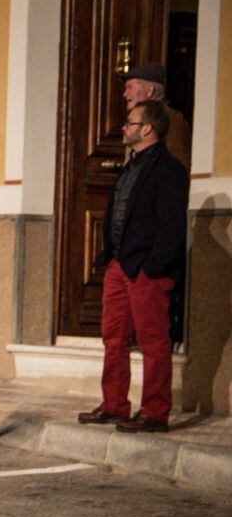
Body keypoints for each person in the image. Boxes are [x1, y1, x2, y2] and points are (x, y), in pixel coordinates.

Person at [78, 100, 188, 433]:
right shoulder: (131, 166)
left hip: (145, 269)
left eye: (130, 122)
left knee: (154, 342)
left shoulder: (169, 170)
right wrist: (110, 256)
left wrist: (152, 266)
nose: (124, 128)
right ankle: (114, 405)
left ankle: (154, 412)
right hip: (119, 265)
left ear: (147, 128)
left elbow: (172, 225)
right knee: (113, 337)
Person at [121, 63, 190, 169]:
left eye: (130, 87)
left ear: (150, 90)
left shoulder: (170, 118)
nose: (125, 94)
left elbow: (180, 165)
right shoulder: (135, 120)